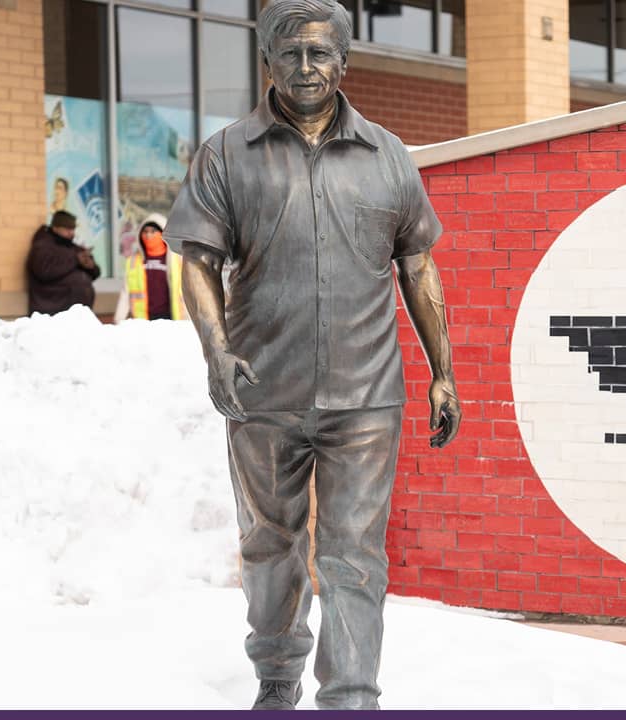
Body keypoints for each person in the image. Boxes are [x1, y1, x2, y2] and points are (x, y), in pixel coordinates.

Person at [165, 0, 460, 710]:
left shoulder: (388, 156)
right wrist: (216, 352)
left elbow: (418, 265)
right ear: (267, 61)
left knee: (353, 552)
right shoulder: (226, 154)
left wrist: (443, 372)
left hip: (366, 393)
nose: (306, 67)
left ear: (344, 61)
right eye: (291, 53)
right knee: (270, 543)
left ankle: (352, 695)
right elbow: (197, 259)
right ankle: (276, 673)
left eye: (321, 52)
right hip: (263, 389)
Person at [113, 214, 187, 322]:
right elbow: (125, 292)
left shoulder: (177, 259)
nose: (148, 235)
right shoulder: (134, 260)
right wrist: (118, 320)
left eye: (153, 231)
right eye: (145, 231)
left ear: (163, 233)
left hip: (172, 319)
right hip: (144, 321)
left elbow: (189, 292)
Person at [26, 210, 100, 316]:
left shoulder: (74, 247)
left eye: (73, 229)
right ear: (55, 228)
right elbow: (44, 272)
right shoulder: (42, 247)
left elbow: (95, 273)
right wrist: (75, 260)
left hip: (76, 311)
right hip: (52, 310)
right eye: (67, 229)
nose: (72, 233)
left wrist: (91, 267)